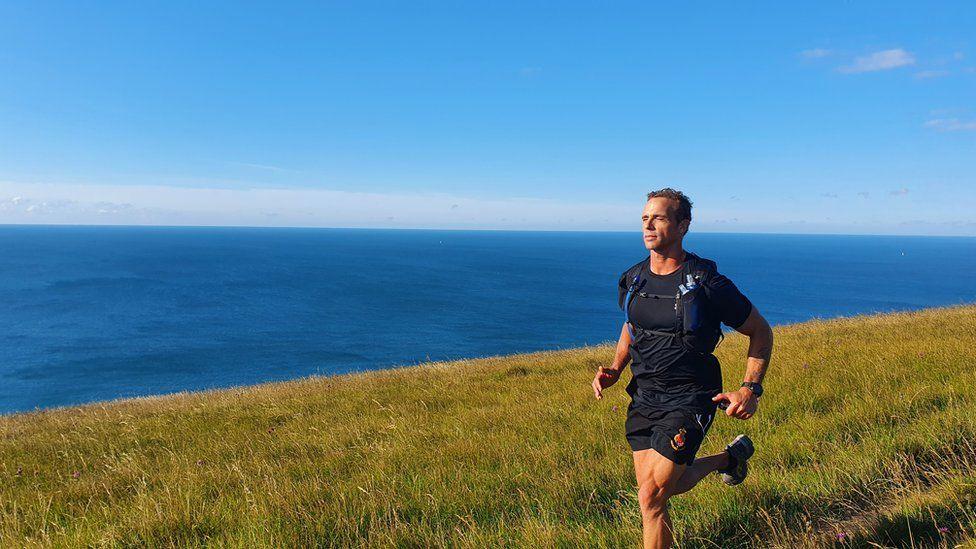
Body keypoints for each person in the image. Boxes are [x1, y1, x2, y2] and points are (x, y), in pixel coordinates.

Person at [591, 188, 774, 549]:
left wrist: (750, 389)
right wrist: (614, 367)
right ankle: (729, 459)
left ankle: (728, 459)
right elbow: (632, 325)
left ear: (683, 225)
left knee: (651, 497)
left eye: (658, 217)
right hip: (644, 396)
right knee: (657, 494)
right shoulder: (633, 279)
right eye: (644, 218)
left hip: (691, 397)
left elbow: (760, 332)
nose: (648, 224)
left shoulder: (706, 282)